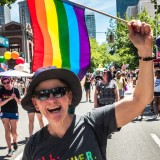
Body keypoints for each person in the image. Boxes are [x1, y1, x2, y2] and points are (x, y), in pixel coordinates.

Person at [21, 20, 153, 160]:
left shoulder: (94, 123)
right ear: (36, 103)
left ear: (69, 97)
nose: (52, 100)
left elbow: (140, 99)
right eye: (43, 95)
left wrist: (145, 51)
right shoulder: (33, 146)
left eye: (59, 91)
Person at [0, 76, 21, 157]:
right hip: (4, 113)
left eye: (7, 82)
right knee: (7, 131)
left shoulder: (15, 90)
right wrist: (9, 98)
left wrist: (15, 97)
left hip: (14, 112)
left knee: (14, 133)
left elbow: (20, 103)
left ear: (10, 81)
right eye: (4, 83)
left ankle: (15, 141)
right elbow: (0, 104)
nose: (6, 84)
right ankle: (9, 149)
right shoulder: (1, 90)